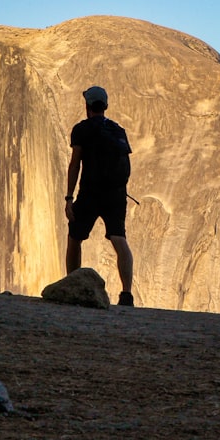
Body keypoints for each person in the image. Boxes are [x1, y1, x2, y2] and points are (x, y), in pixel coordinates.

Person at [64, 85, 136, 307]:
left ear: (87, 106)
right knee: (118, 238)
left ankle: (71, 285)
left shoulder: (82, 129)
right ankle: (126, 294)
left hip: (90, 192)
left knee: (75, 237)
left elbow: (75, 163)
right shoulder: (118, 130)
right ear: (105, 106)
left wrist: (69, 198)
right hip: (116, 193)